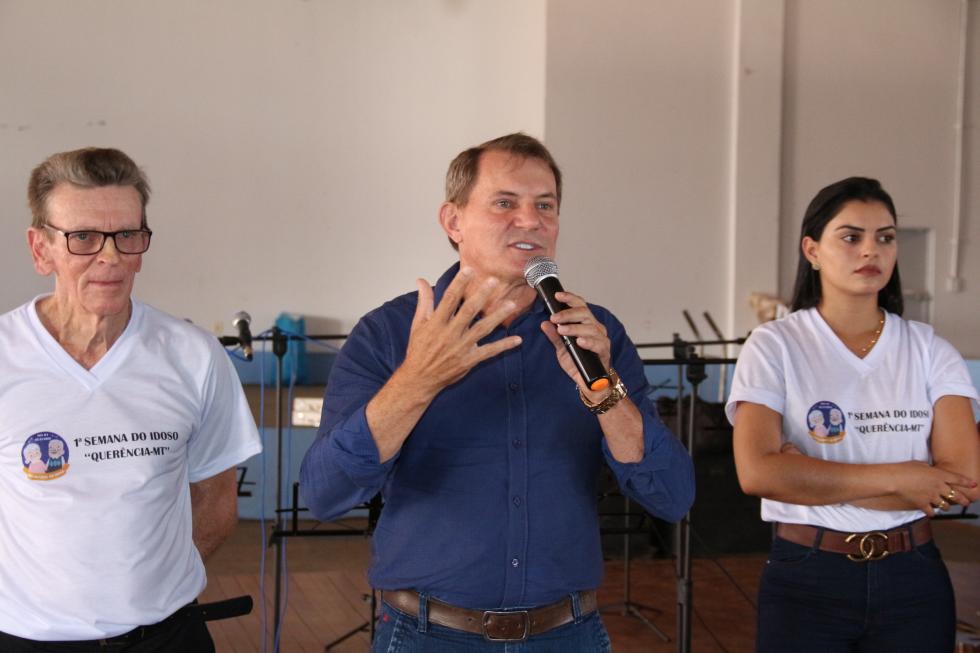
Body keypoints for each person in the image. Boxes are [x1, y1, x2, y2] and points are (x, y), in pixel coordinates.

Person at [300, 133, 694, 651]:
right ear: (453, 221)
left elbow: (671, 495)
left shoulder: (596, 335)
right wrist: (418, 380)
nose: (530, 220)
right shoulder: (388, 333)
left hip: (568, 634)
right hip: (427, 636)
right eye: (505, 203)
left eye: (545, 205)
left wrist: (604, 392)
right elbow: (325, 494)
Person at [0, 148, 262, 651]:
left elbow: (217, 496)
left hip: (167, 638)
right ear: (41, 249)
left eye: (127, 235)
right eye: (83, 237)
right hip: (27, 639)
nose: (111, 256)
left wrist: (150, 587)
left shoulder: (193, 355)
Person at [727, 176, 980, 652]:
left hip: (914, 578)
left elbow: (963, 481)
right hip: (807, 577)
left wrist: (805, 475)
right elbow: (758, 473)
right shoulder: (775, 346)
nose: (870, 250)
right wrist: (905, 478)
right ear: (812, 250)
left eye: (885, 237)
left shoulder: (930, 350)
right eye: (851, 237)